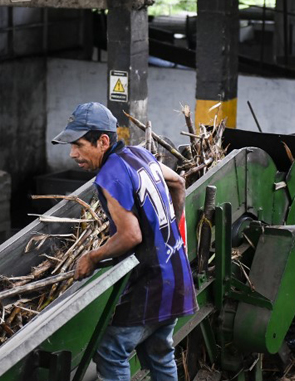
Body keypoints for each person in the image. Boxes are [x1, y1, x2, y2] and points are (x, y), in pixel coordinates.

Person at [52, 102, 197, 380]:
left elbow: (131, 235)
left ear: (103, 141)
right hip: (175, 275)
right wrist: (171, 231)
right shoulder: (139, 155)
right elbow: (178, 182)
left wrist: (92, 257)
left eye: (79, 145)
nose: (73, 154)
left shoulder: (110, 175)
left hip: (151, 283)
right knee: (159, 353)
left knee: (110, 350)